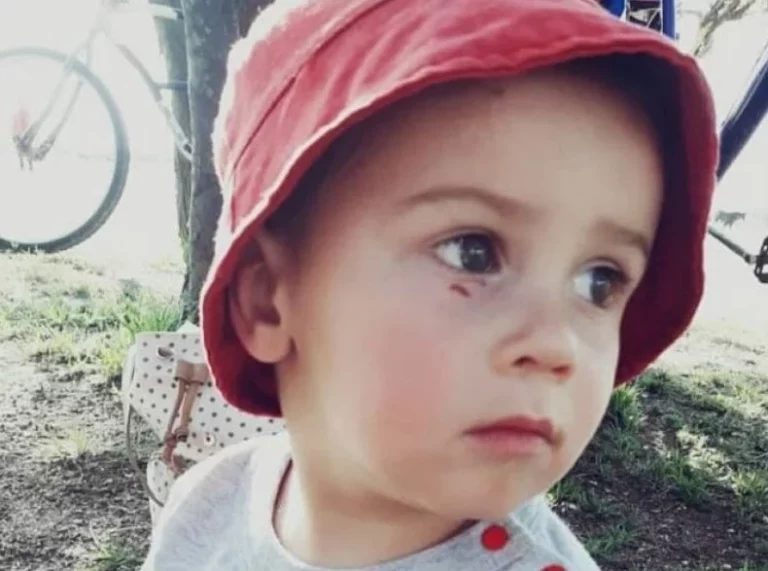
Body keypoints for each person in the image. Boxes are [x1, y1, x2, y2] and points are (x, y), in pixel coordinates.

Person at [141, 0, 718, 569]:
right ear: (268, 300)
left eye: (600, 282)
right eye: (473, 253)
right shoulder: (209, 508)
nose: (555, 344)